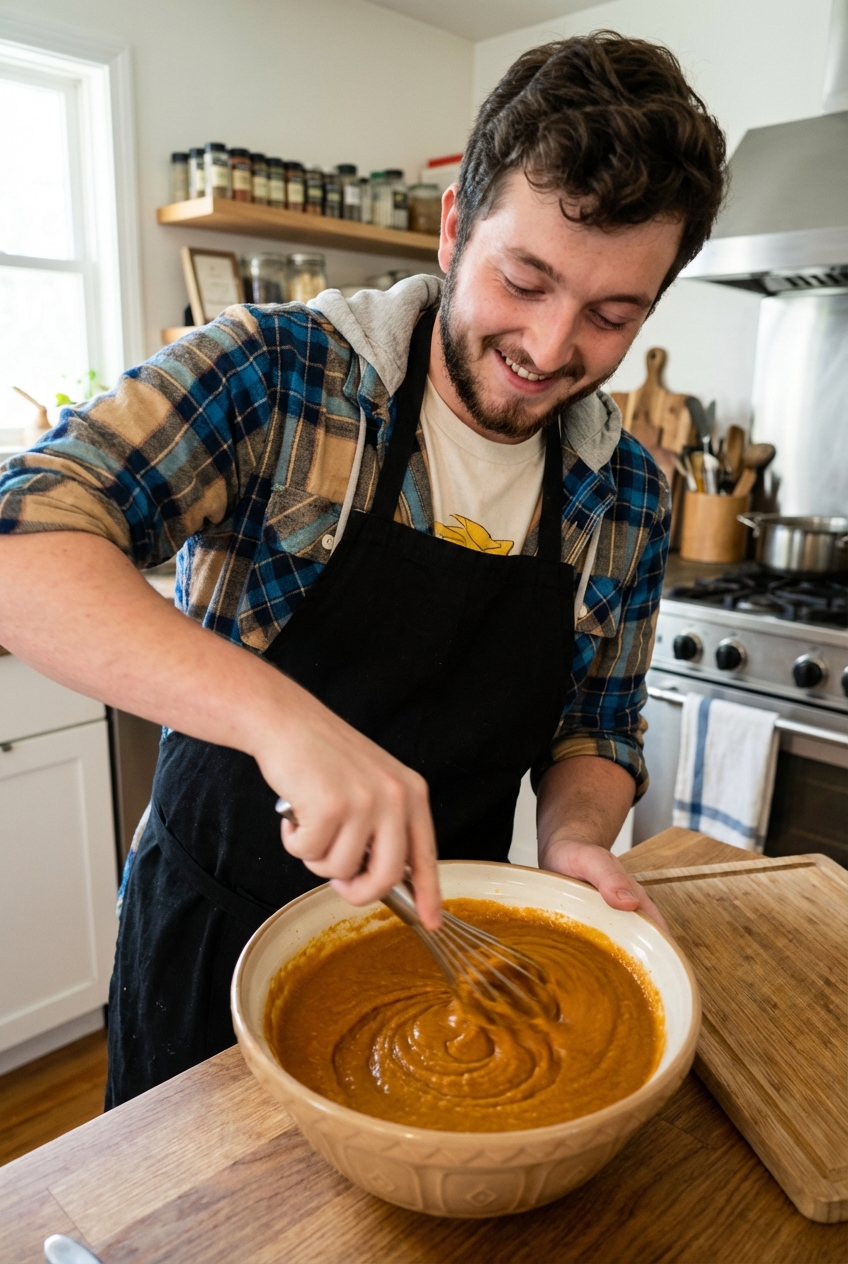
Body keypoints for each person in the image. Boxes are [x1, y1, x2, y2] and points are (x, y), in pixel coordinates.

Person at [0, 32, 726, 1106]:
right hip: (209, 935)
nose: (547, 345)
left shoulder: (622, 492)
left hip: (445, 941)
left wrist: (575, 839)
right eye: (522, 279)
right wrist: (286, 723)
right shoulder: (277, 376)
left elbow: (596, 727)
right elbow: (23, 543)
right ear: (452, 228)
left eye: (610, 315)